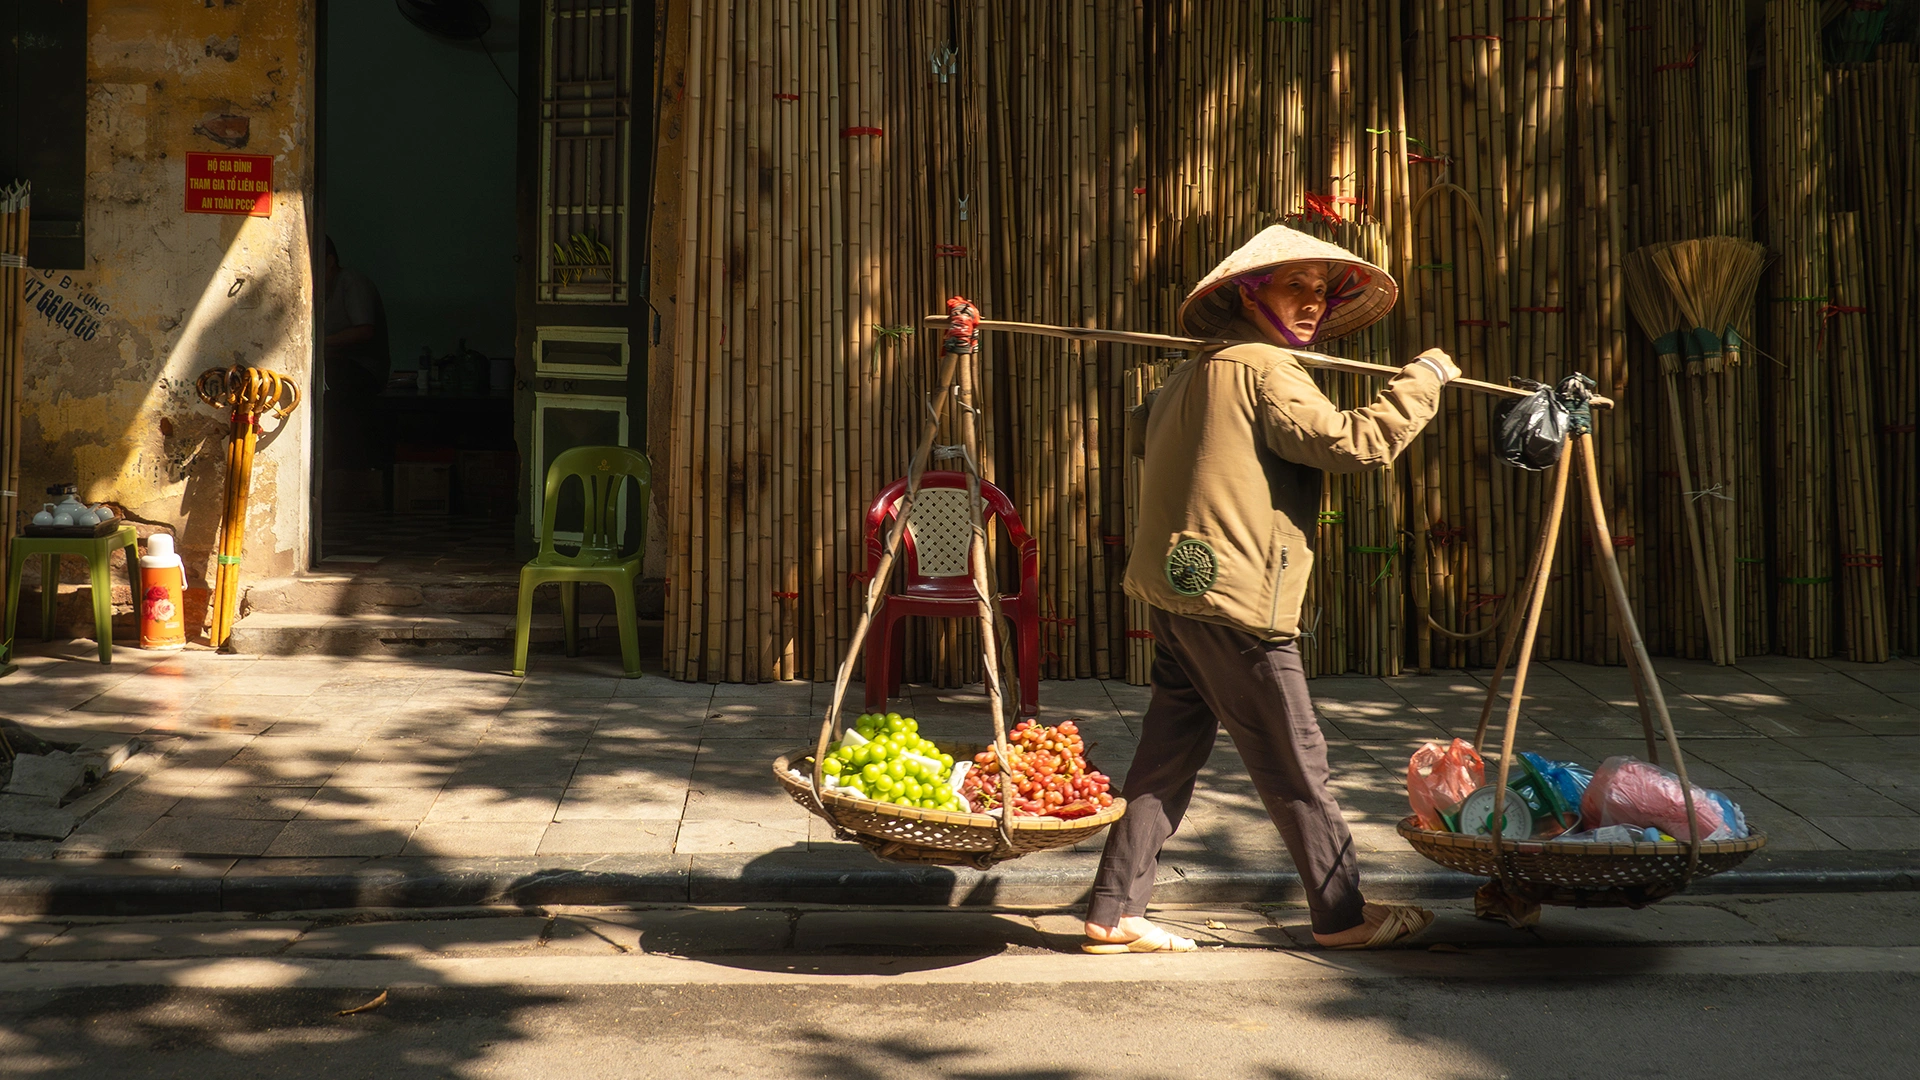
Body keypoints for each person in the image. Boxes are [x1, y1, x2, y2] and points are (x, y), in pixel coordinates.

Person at [1082, 224, 1460, 954]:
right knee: (1297, 763)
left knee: (1165, 759)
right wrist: (1424, 381)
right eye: (1297, 286)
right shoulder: (1265, 369)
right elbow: (1355, 443)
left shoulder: (1194, 371)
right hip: (1236, 599)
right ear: (1249, 294)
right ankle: (1342, 915)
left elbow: (1141, 432)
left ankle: (1112, 908)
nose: (1315, 303)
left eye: (1323, 291)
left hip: (1179, 591)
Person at [322, 237, 391, 472]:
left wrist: (320, 344)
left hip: (363, 369)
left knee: (334, 389)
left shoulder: (351, 282)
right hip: (339, 366)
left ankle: (347, 469)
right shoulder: (324, 292)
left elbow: (365, 331)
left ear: (330, 262)